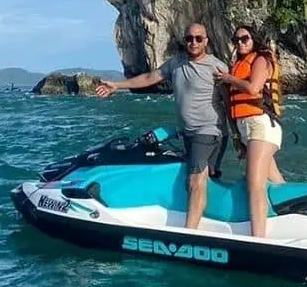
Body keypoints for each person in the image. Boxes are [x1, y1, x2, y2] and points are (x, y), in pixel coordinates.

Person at [95, 23, 228, 230]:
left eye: (198, 38)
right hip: (187, 132)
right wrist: (117, 86)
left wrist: (241, 136)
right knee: (202, 177)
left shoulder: (217, 67)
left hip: (209, 130)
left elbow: (230, 100)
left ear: (206, 41)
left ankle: (189, 233)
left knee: (196, 178)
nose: (193, 42)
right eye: (189, 38)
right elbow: (150, 77)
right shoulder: (176, 63)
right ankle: (212, 219)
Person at [213, 25, 285, 238]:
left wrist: (228, 79)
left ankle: (258, 237)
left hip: (261, 125)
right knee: (276, 183)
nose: (240, 43)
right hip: (248, 129)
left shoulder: (261, 59)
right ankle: (297, 215)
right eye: (236, 40)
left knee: (254, 184)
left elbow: (254, 88)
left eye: (245, 38)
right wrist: (237, 137)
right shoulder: (237, 64)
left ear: (254, 39)